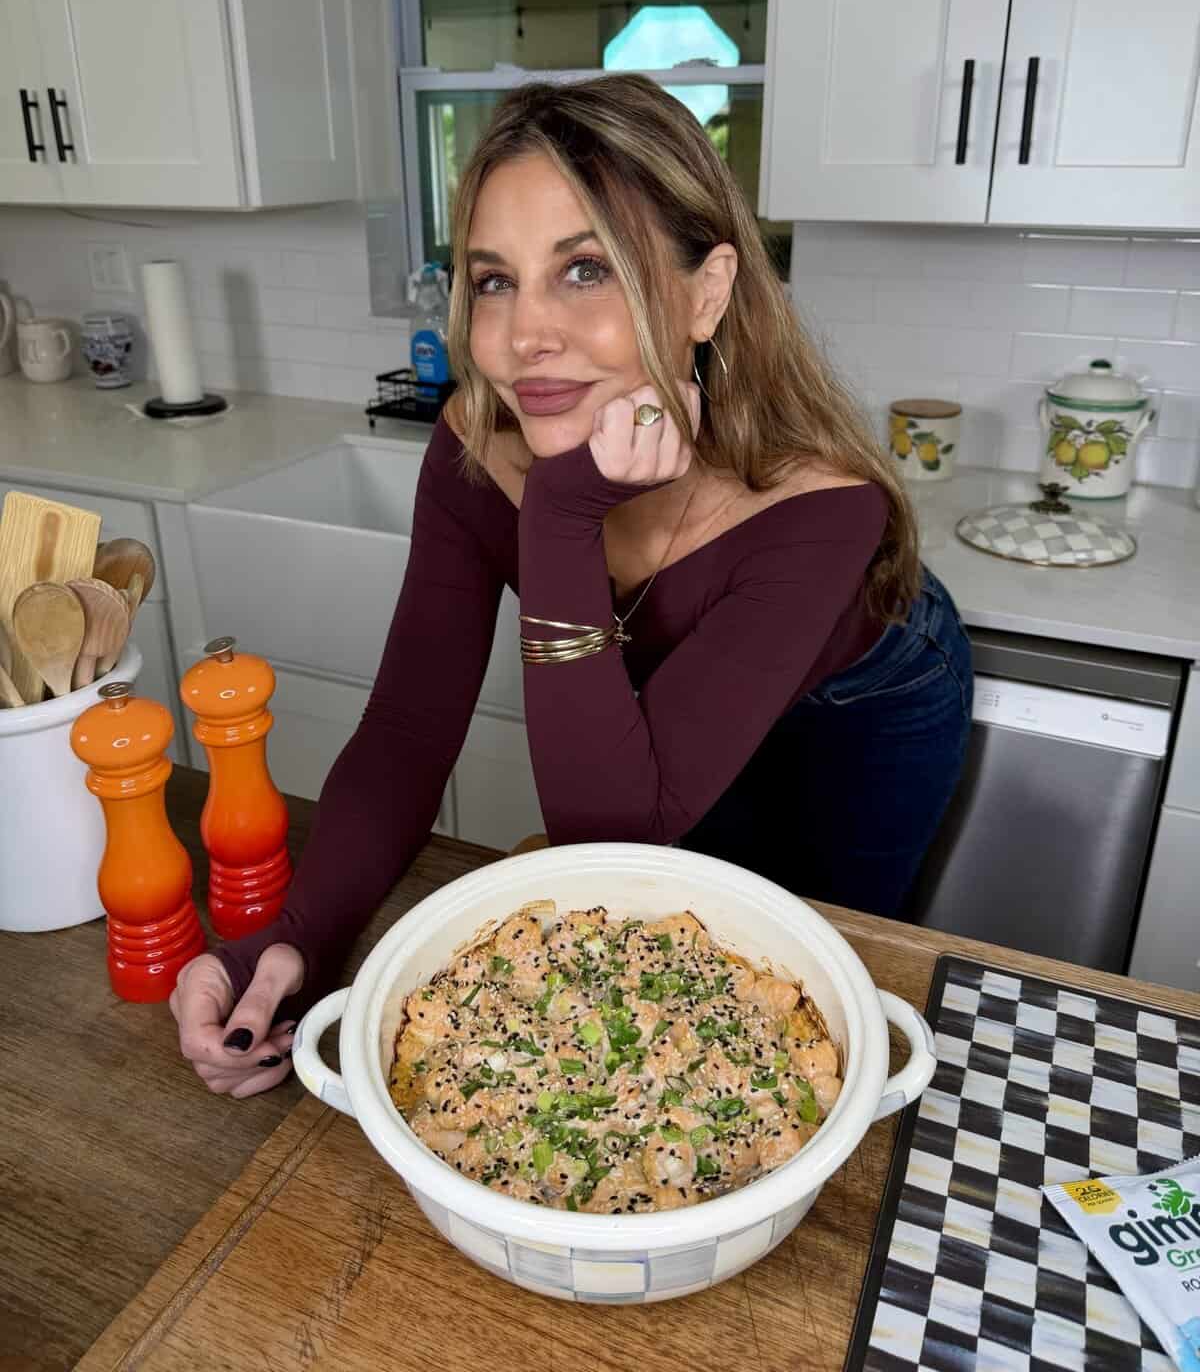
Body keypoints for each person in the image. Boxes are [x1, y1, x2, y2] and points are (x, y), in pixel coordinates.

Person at [169, 75, 972, 1098]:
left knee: (804, 975)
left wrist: (557, 513)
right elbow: (413, 726)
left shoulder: (822, 507)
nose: (522, 337)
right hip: (655, 728)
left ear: (706, 290)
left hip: (858, 706)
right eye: (494, 279)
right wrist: (296, 942)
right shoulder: (476, 436)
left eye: (585, 269)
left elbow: (612, 832)